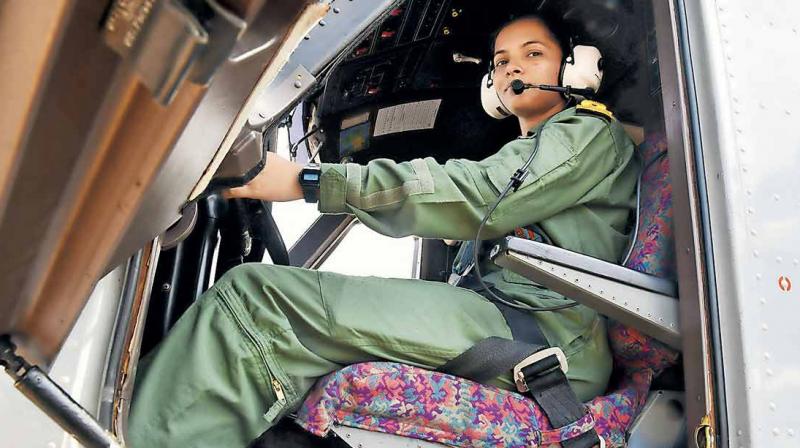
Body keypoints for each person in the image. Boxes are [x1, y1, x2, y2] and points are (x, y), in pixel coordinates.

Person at [129, 12, 640, 448]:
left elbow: (479, 192)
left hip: (541, 335)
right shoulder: (537, 151)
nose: (512, 70)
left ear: (575, 66)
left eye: (532, 54)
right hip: (510, 319)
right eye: (501, 61)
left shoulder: (588, 132)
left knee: (260, 303)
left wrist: (307, 181)